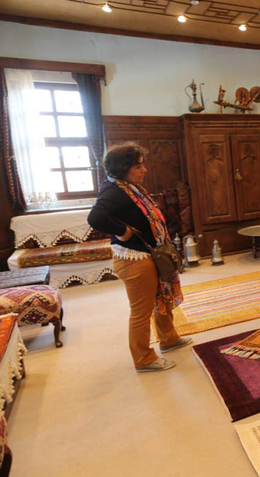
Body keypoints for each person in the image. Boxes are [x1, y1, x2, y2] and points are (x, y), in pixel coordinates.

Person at [88, 144, 191, 372]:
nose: (144, 170)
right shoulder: (113, 191)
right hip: (134, 259)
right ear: (122, 168)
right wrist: (122, 231)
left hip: (149, 254)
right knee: (141, 311)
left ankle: (169, 339)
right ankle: (143, 358)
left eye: (142, 164)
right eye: (138, 166)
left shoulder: (128, 187)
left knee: (162, 299)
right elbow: (95, 217)